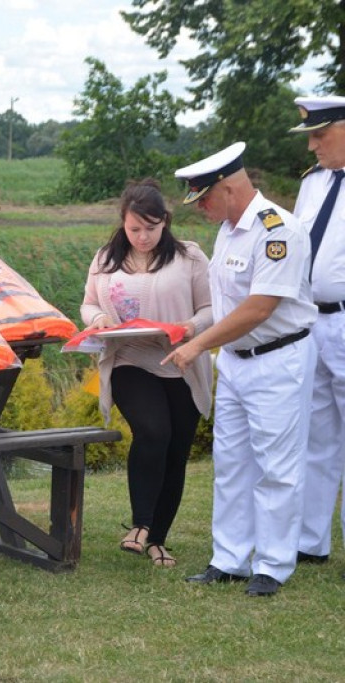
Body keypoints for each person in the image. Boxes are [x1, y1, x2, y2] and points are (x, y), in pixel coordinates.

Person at [164, 142, 317, 597]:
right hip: (234, 361)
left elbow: (259, 308)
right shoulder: (229, 229)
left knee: (276, 466)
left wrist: (197, 347)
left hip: (277, 358)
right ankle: (228, 559)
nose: (202, 209)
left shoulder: (278, 230)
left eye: (205, 199)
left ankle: (272, 564)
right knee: (230, 463)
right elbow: (227, 304)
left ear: (230, 188)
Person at [80, 179, 213, 569]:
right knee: (154, 430)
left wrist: (189, 328)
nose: (142, 237)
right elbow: (87, 305)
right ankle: (139, 524)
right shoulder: (105, 258)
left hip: (181, 362)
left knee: (175, 451)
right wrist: (100, 318)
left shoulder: (189, 257)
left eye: (151, 229)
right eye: (134, 228)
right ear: (123, 222)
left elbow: (210, 309)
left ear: (165, 222)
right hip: (129, 359)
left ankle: (158, 540)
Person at [287, 96, 345, 566]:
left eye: (320, 134)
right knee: (317, 434)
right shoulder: (313, 185)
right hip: (313, 319)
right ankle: (311, 540)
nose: (312, 145)